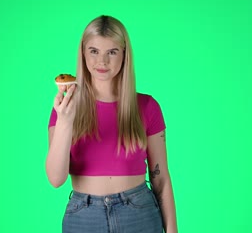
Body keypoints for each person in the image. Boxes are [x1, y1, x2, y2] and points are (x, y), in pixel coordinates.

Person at [46, 15, 177, 233]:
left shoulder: (147, 106)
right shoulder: (64, 108)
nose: (102, 62)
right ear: (83, 53)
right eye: (94, 51)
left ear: (124, 55)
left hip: (139, 213)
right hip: (84, 217)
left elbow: (161, 179)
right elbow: (56, 178)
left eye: (112, 52)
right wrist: (66, 121)